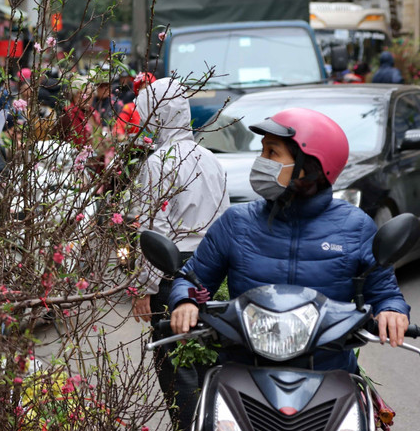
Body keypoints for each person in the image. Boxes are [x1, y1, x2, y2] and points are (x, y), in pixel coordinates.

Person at [169, 108, 409, 359]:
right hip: (244, 370)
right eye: (262, 151)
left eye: (271, 152)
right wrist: (186, 301)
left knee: (362, 401)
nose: (261, 161)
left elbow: (384, 293)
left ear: (309, 166)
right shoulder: (237, 222)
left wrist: (391, 310)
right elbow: (193, 279)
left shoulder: (355, 227)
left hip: (329, 372)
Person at [128, 78, 230, 431]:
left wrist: (143, 285)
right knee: (209, 354)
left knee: (174, 359)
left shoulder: (158, 163)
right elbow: (224, 223)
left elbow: (153, 230)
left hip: (172, 268)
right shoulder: (212, 160)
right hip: (211, 267)